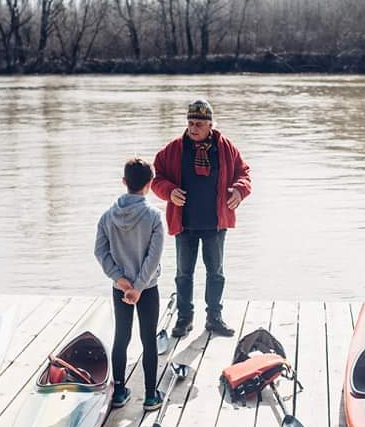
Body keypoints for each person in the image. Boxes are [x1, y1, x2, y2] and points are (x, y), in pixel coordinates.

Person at [152, 99, 251, 338]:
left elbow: (244, 173)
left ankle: (214, 319)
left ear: (210, 125)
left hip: (215, 224)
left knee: (216, 273)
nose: (193, 128)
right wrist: (169, 191)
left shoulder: (226, 147)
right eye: (190, 122)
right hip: (184, 223)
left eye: (199, 123)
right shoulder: (173, 149)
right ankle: (184, 319)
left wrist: (239, 190)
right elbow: (157, 179)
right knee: (183, 274)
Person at [95, 157, 165, 411]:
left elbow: (100, 253)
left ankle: (120, 390)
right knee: (148, 339)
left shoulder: (106, 216)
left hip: (120, 289)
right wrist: (138, 286)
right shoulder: (154, 216)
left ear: (124, 182)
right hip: (147, 289)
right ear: (150, 183)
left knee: (121, 337)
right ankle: (150, 396)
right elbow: (153, 256)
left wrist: (121, 281)